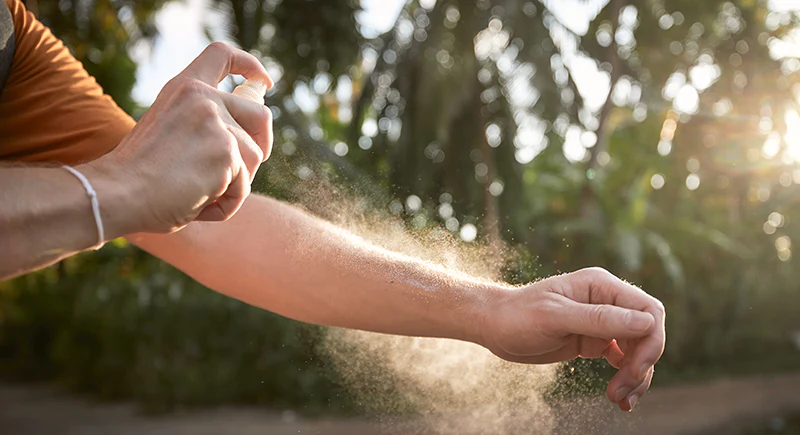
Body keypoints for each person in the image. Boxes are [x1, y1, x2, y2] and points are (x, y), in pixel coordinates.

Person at [0, 0, 664, 413]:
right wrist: (112, 191)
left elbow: (214, 228)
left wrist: (495, 307)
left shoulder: (15, 42)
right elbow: (127, 190)